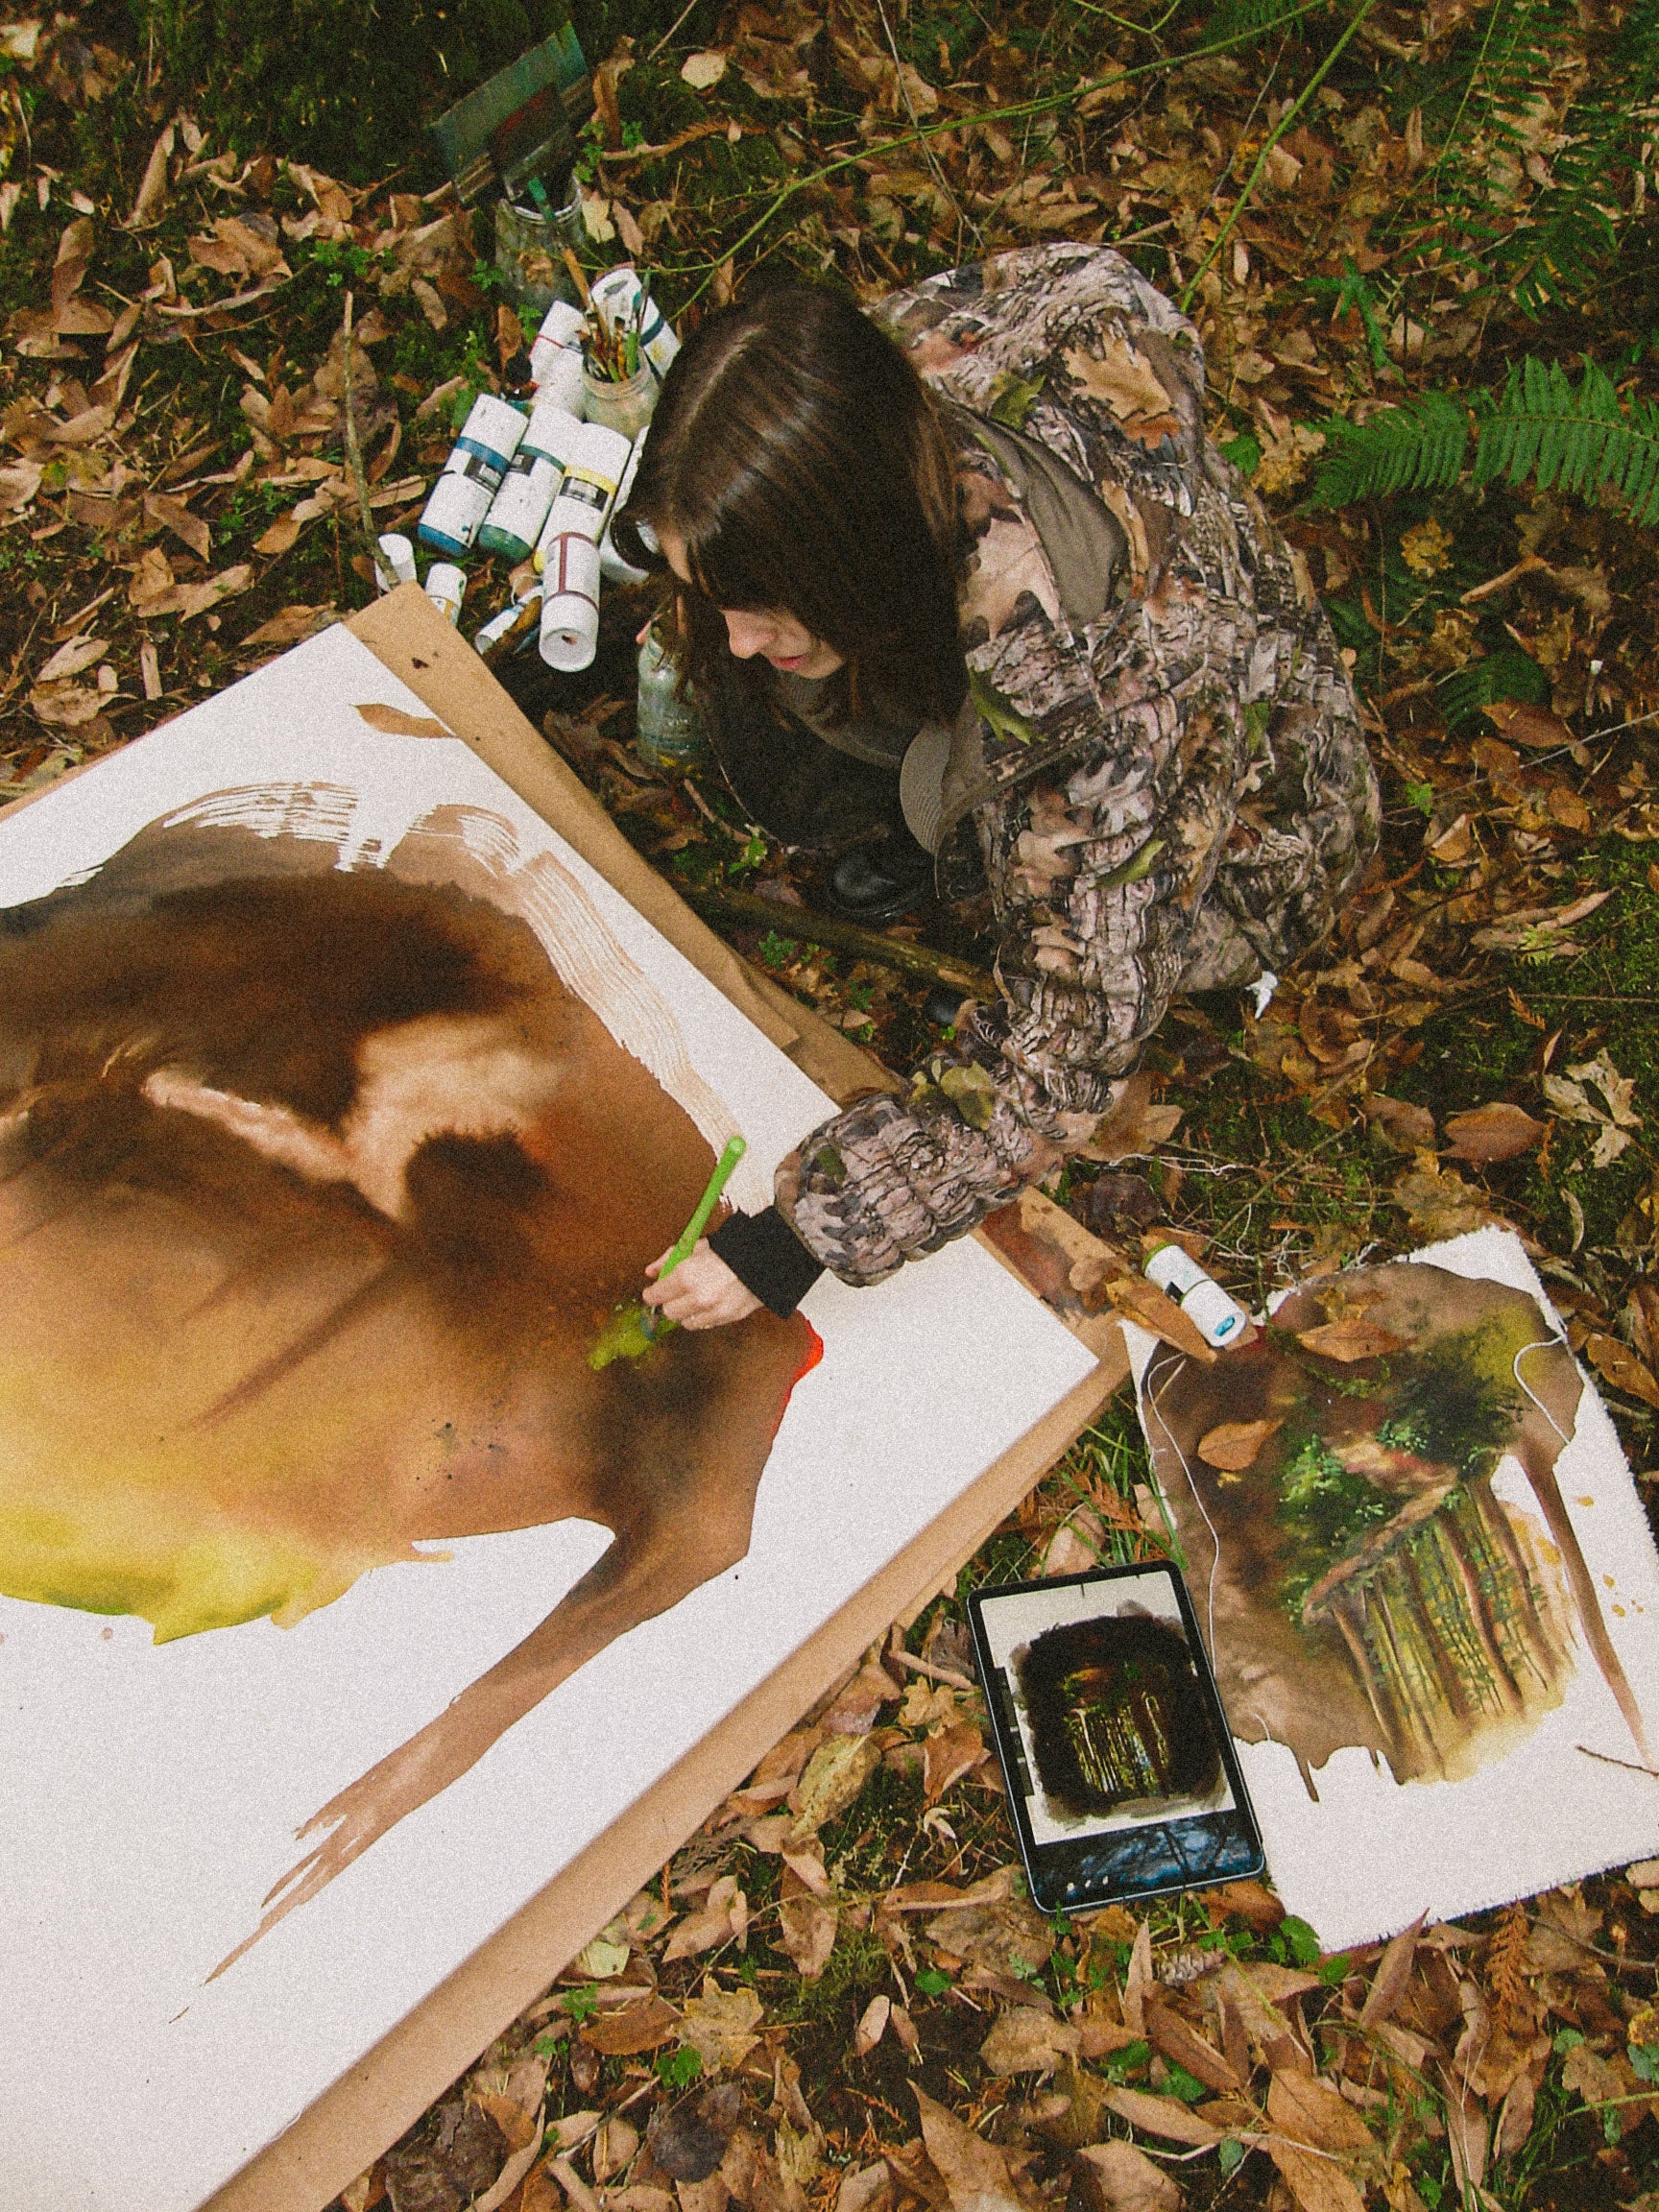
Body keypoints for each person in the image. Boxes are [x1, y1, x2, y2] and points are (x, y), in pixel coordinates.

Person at [618, 242, 1380, 1332]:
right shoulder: (886, 383)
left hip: (1254, 856)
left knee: (1066, 949)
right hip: (1054, 694)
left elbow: (1058, 1061)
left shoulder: (1110, 719)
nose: (735, 638)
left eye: (764, 605)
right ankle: (937, 835)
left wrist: (789, 1242)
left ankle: (1103, 935)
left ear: (855, 557)